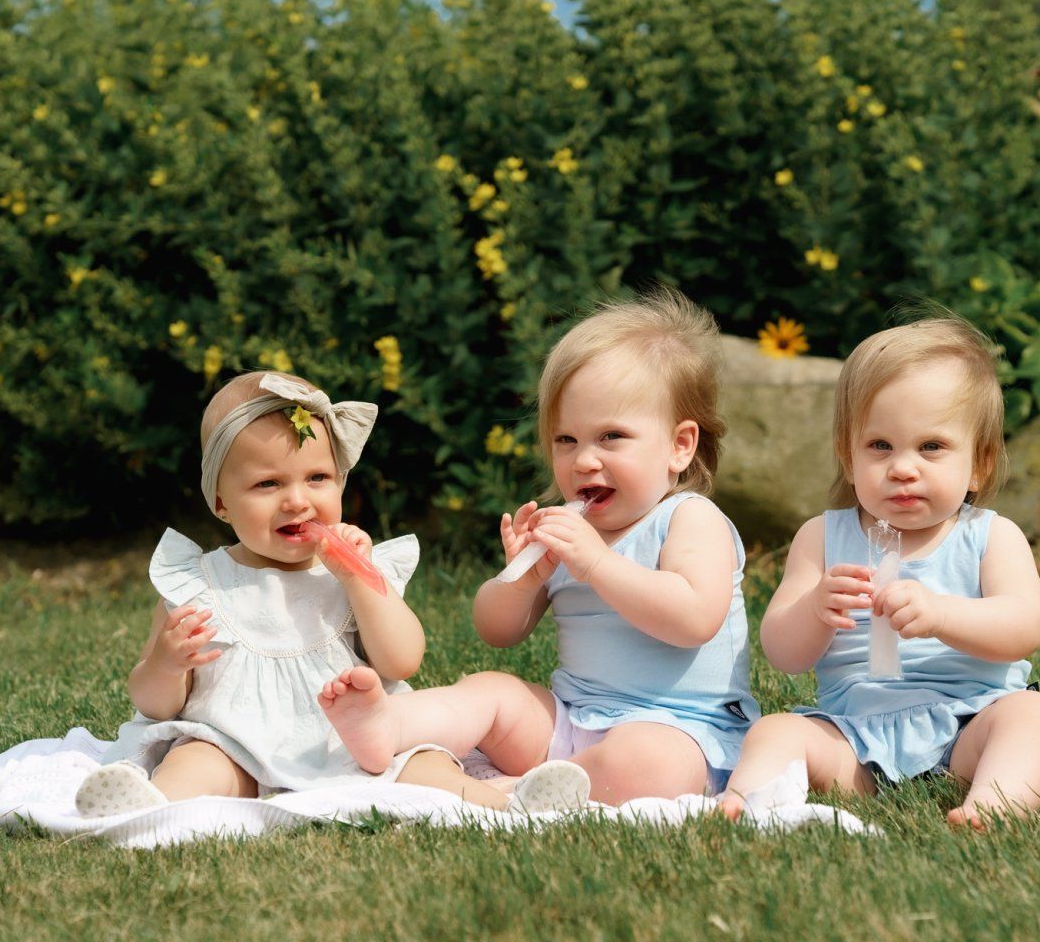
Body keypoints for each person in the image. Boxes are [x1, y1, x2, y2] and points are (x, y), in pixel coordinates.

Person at [318, 290, 758, 808]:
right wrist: (522, 579)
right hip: (573, 716)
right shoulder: (569, 530)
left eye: (611, 437)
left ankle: (523, 792)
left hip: (684, 730)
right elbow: (496, 631)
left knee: (645, 762)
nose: (583, 461)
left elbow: (694, 618)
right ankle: (385, 726)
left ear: (680, 446)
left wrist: (596, 564)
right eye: (565, 440)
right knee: (492, 690)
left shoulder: (688, 518)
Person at [719, 317, 1040, 829]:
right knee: (776, 732)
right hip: (854, 739)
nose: (903, 468)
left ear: (978, 464)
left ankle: (995, 806)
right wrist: (816, 608)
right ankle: (745, 803)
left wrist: (941, 614)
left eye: (931, 447)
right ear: (849, 457)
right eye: (880, 446)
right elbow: (783, 653)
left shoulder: (989, 537)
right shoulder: (821, 539)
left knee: (1036, 717)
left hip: (969, 725)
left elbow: (1025, 628)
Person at [73, 370, 460, 816]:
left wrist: (359, 578)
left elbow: (402, 660)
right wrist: (166, 664)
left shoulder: (354, 569)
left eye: (317, 478)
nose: (297, 501)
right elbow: (156, 705)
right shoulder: (200, 584)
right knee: (196, 762)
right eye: (268, 484)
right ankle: (145, 808)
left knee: (429, 768)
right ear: (221, 502)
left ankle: (510, 803)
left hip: (359, 743)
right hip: (236, 747)